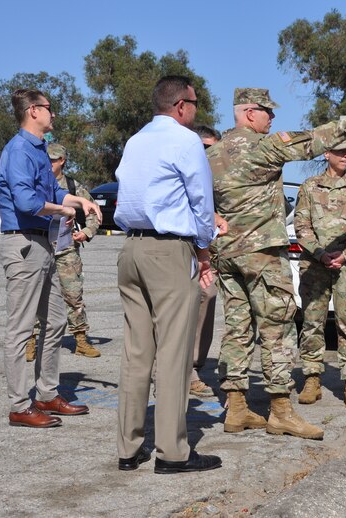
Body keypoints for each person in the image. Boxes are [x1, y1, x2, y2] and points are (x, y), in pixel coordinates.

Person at [207, 87, 346, 440]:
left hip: (226, 253)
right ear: (250, 113)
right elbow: (314, 139)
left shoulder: (212, 153)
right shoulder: (263, 147)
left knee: (237, 328)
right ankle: (280, 412)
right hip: (261, 253)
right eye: (267, 112)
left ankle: (236, 408)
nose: (272, 118)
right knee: (277, 328)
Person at [114, 75, 221, 474]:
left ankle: (129, 447)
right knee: (175, 352)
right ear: (180, 106)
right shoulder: (186, 140)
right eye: (194, 102)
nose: (196, 110)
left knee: (137, 352)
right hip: (169, 250)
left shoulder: (136, 140)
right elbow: (201, 201)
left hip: (132, 249)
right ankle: (173, 453)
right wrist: (205, 253)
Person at [0, 88, 102, 428]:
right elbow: (27, 202)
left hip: (45, 244)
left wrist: (78, 201)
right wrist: (62, 209)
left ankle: (46, 393)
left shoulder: (39, 149)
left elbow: (53, 191)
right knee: (20, 329)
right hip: (25, 245)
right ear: (32, 111)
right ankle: (18, 406)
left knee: (56, 321)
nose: (52, 114)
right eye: (48, 109)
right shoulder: (17, 151)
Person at [293, 140, 346, 410]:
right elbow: (301, 224)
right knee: (312, 322)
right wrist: (320, 253)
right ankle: (312, 377)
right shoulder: (309, 186)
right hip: (315, 265)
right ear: (326, 154)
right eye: (340, 152)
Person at [25, 143, 101, 362]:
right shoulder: (38, 184)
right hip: (40, 245)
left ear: (62, 161)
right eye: (46, 160)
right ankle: (31, 341)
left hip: (66, 248)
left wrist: (86, 233)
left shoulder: (72, 186)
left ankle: (81, 339)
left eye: (53, 160)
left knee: (73, 294)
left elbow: (93, 212)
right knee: (35, 294)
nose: (49, 164)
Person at [186, 125, 223, 398]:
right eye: (207, 148)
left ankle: (194, 364)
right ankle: (185, 372)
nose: (212, 153)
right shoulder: (187, 169)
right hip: (184, 247)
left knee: (208, 297)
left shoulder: (216, 174)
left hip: (209, 251)